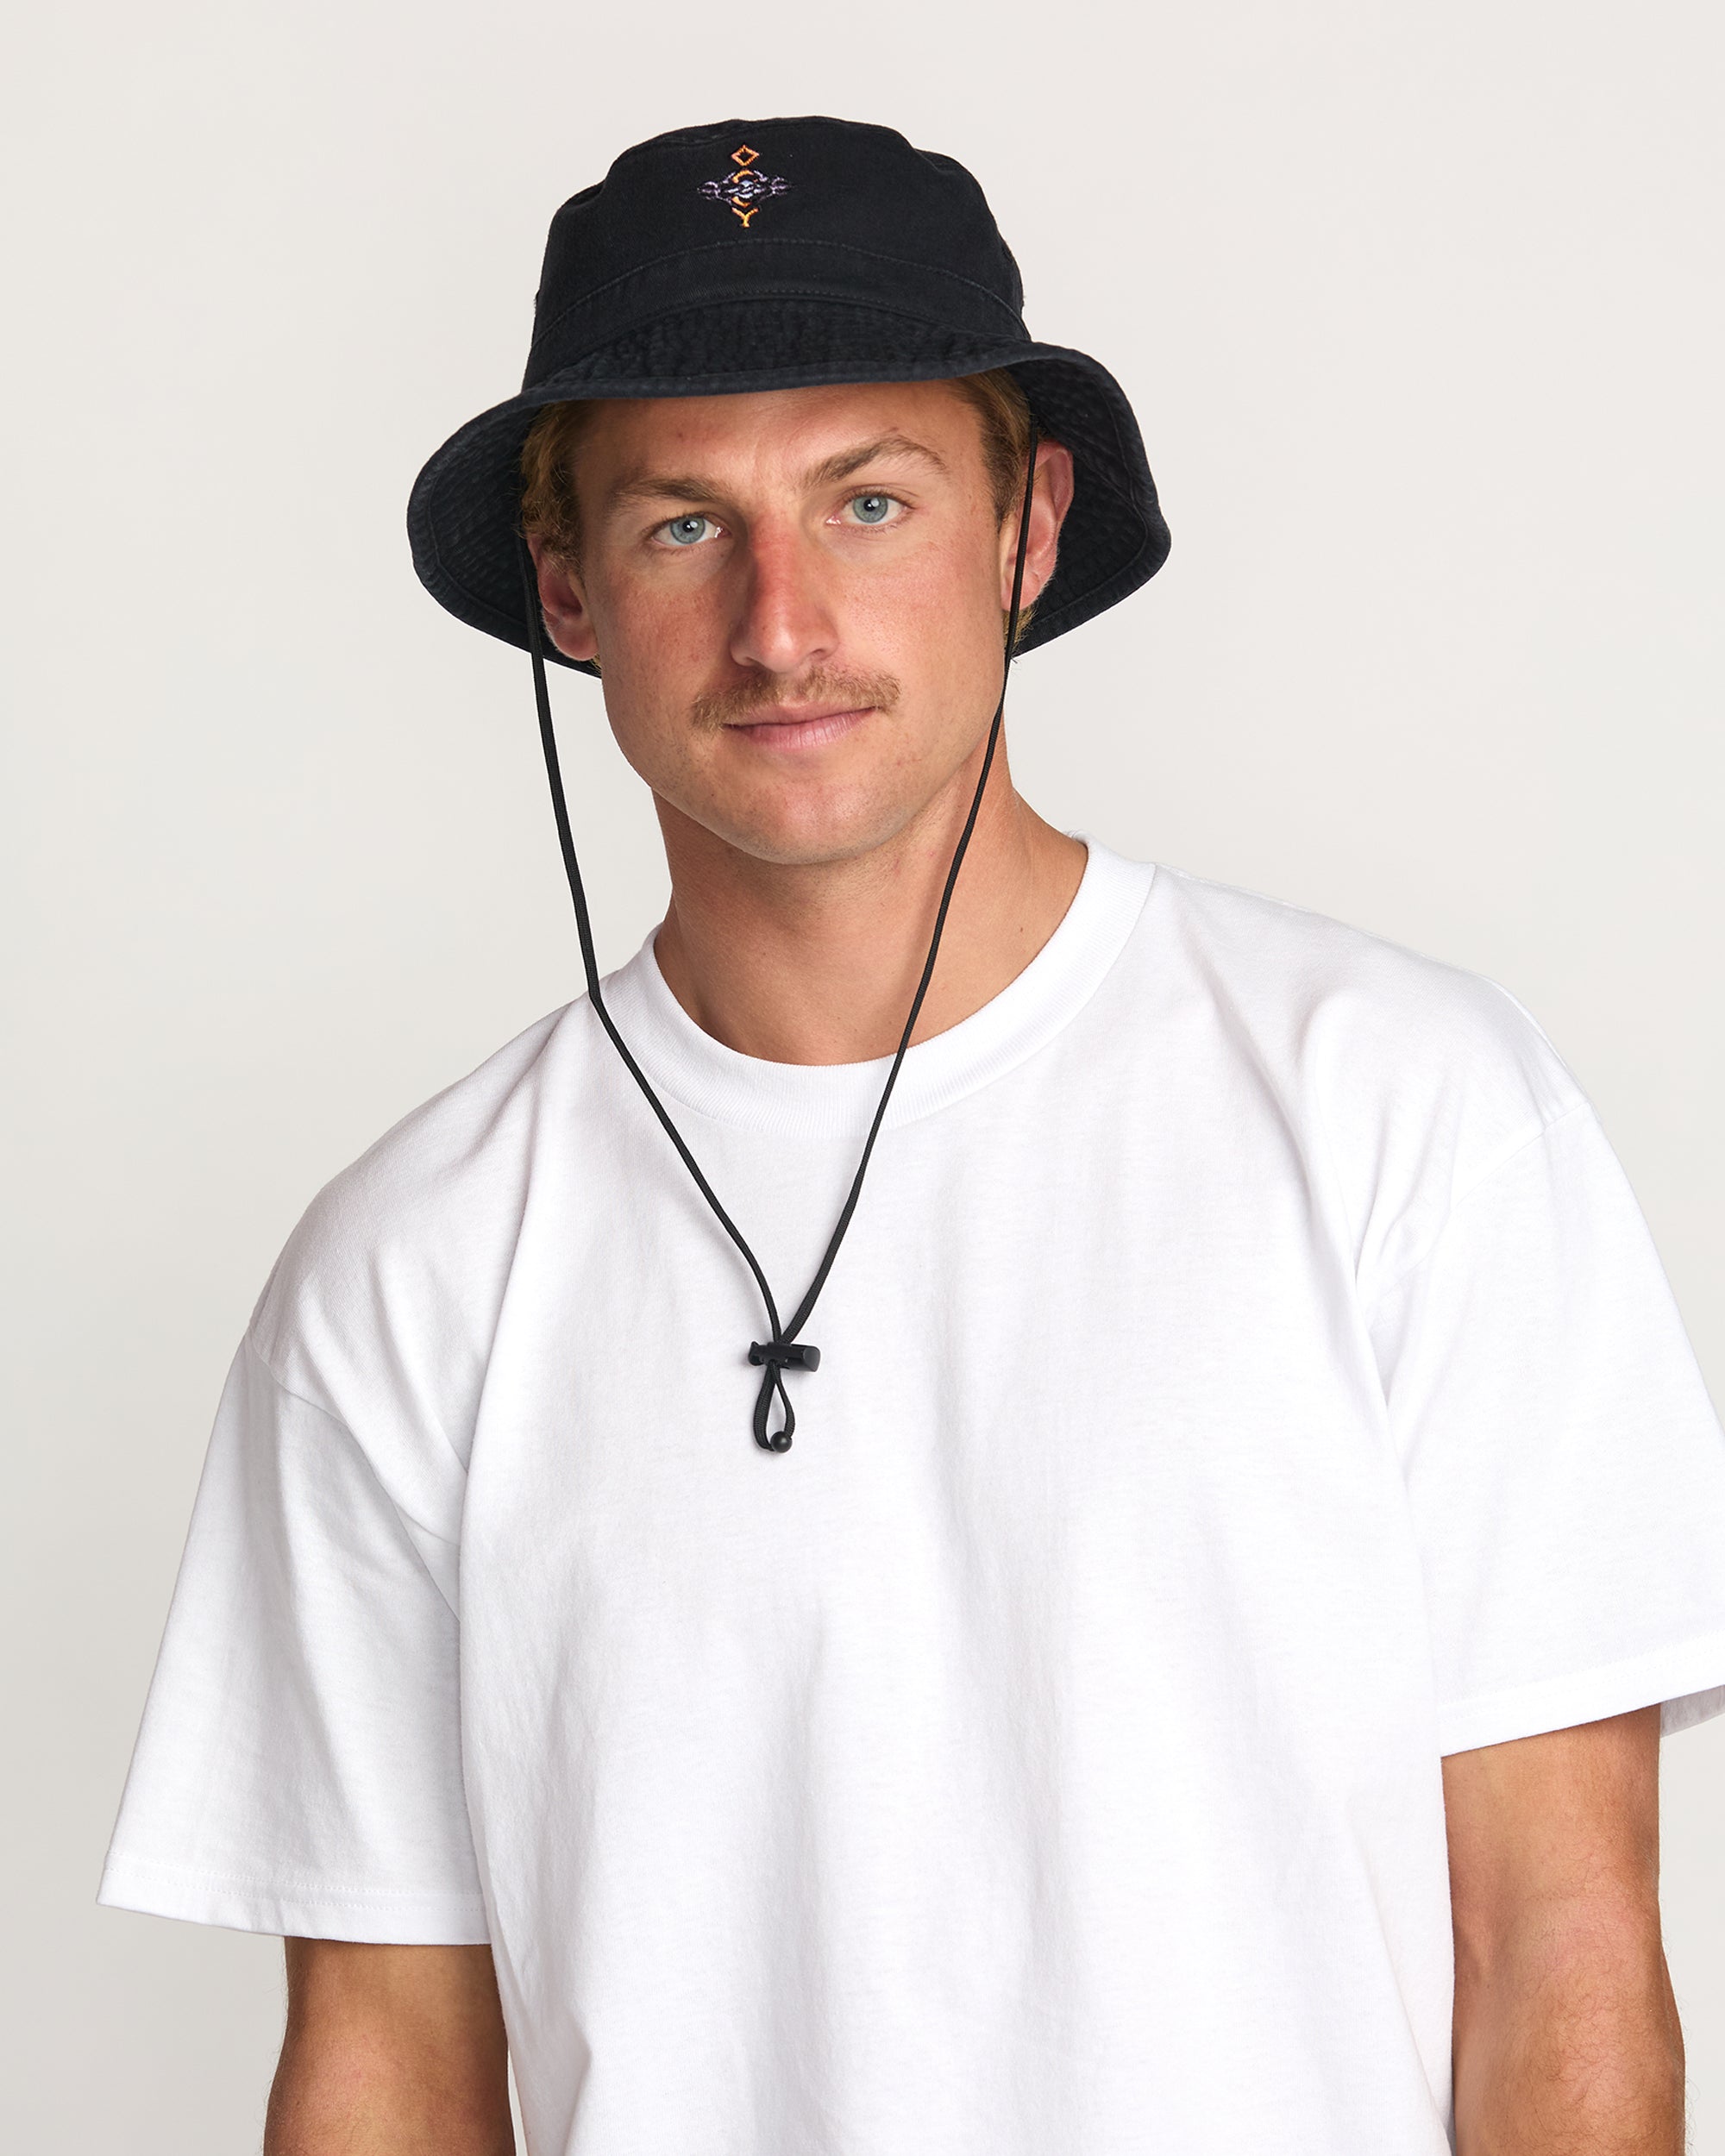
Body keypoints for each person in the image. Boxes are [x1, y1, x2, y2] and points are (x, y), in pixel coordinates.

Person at [100, 115, 1725, 2155]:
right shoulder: (405, 1266)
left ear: (1026, 531)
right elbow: (386, 2062)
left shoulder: (1402, 1109)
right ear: (565, 587)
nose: (782, 623)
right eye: (682, 525)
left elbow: (1560, 1944)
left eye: (867, 502)